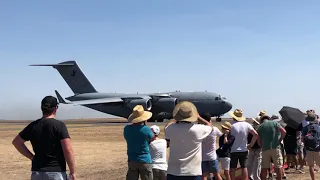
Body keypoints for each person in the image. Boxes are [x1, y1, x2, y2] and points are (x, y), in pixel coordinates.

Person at [12, 96, 76, 180]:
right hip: (56, 172)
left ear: (41, 108)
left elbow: (16, 142)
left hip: (37, 172)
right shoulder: (59, 126)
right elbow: (68, 150)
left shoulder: (33, 126)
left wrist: (32, 157)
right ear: (56, 108)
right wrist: (72, 171)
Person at [165, 101, 213, 180]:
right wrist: (199, 117)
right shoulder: (198, 129)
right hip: (193, 172)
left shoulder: (171, 129)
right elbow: (210, 126)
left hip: (174, 171)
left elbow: (167, 126)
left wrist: (175, 118)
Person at [123, 105, 155, 180]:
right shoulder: (146, 129)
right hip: (145, 160)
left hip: (132, 159)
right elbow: (152, 137)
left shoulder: (127, 129)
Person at [229, 109, 258, 180]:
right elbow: (255, 134)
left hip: (233, 149)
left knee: (232, 167)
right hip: (244, 149)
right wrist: (250, 145)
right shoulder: (247, 124)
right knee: (244, 167)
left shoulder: (231, 124)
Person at [257, 115, 286, 180]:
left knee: (264, 167)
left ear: (261, 120)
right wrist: (280, 140)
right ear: (269, 118)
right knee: (278, 166)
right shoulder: (275, 123)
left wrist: (262, 146)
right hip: (275, 147)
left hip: (265, 149)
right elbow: (284, 132)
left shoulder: (260, 126)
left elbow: (258, 141)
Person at [200, 112, 223, 180]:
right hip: (212, 156)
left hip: (202, 156)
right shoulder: (214, 129)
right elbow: (221, 136)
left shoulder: (200, 129)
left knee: (204, 175)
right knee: (216, 174)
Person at [301, 113, 320, 180]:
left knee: (311, 166)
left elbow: (302, 139)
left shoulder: (305, 128)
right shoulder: (318, 127)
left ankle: (313, 179)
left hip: (309, 149)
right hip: (318, 148)